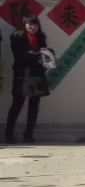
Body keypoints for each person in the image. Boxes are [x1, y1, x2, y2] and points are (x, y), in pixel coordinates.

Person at [6, 14, 52, 143]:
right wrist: (39, 57)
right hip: (22, 74)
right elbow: (21, 56)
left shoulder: (41, 37)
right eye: (30, 24)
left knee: (34, 105)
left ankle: (29, 135)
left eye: (35, 24)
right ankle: (9, 134)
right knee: (17, 104)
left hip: (37, 74)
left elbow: (45, 54)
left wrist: (47, 56)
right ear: (24, 25)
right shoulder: (17, 37)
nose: (33, 27)